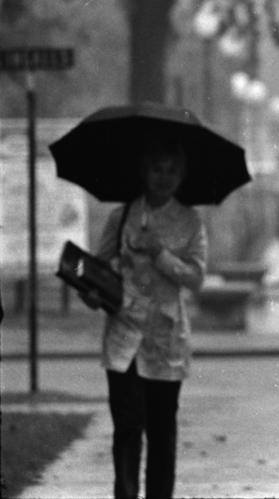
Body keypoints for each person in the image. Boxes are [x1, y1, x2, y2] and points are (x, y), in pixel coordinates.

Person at [80, 139, 207, 499]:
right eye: (156, 169)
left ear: (181, 175)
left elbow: (196, 277)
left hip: (166, 341)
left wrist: (161, 254)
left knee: (162, 432)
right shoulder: (121, 217)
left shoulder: (190, 220)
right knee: (126, 428)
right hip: (123, 337)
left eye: (171, 171)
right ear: (144, 171)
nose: (163, 178)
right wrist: (90, 293)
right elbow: (99, 268)